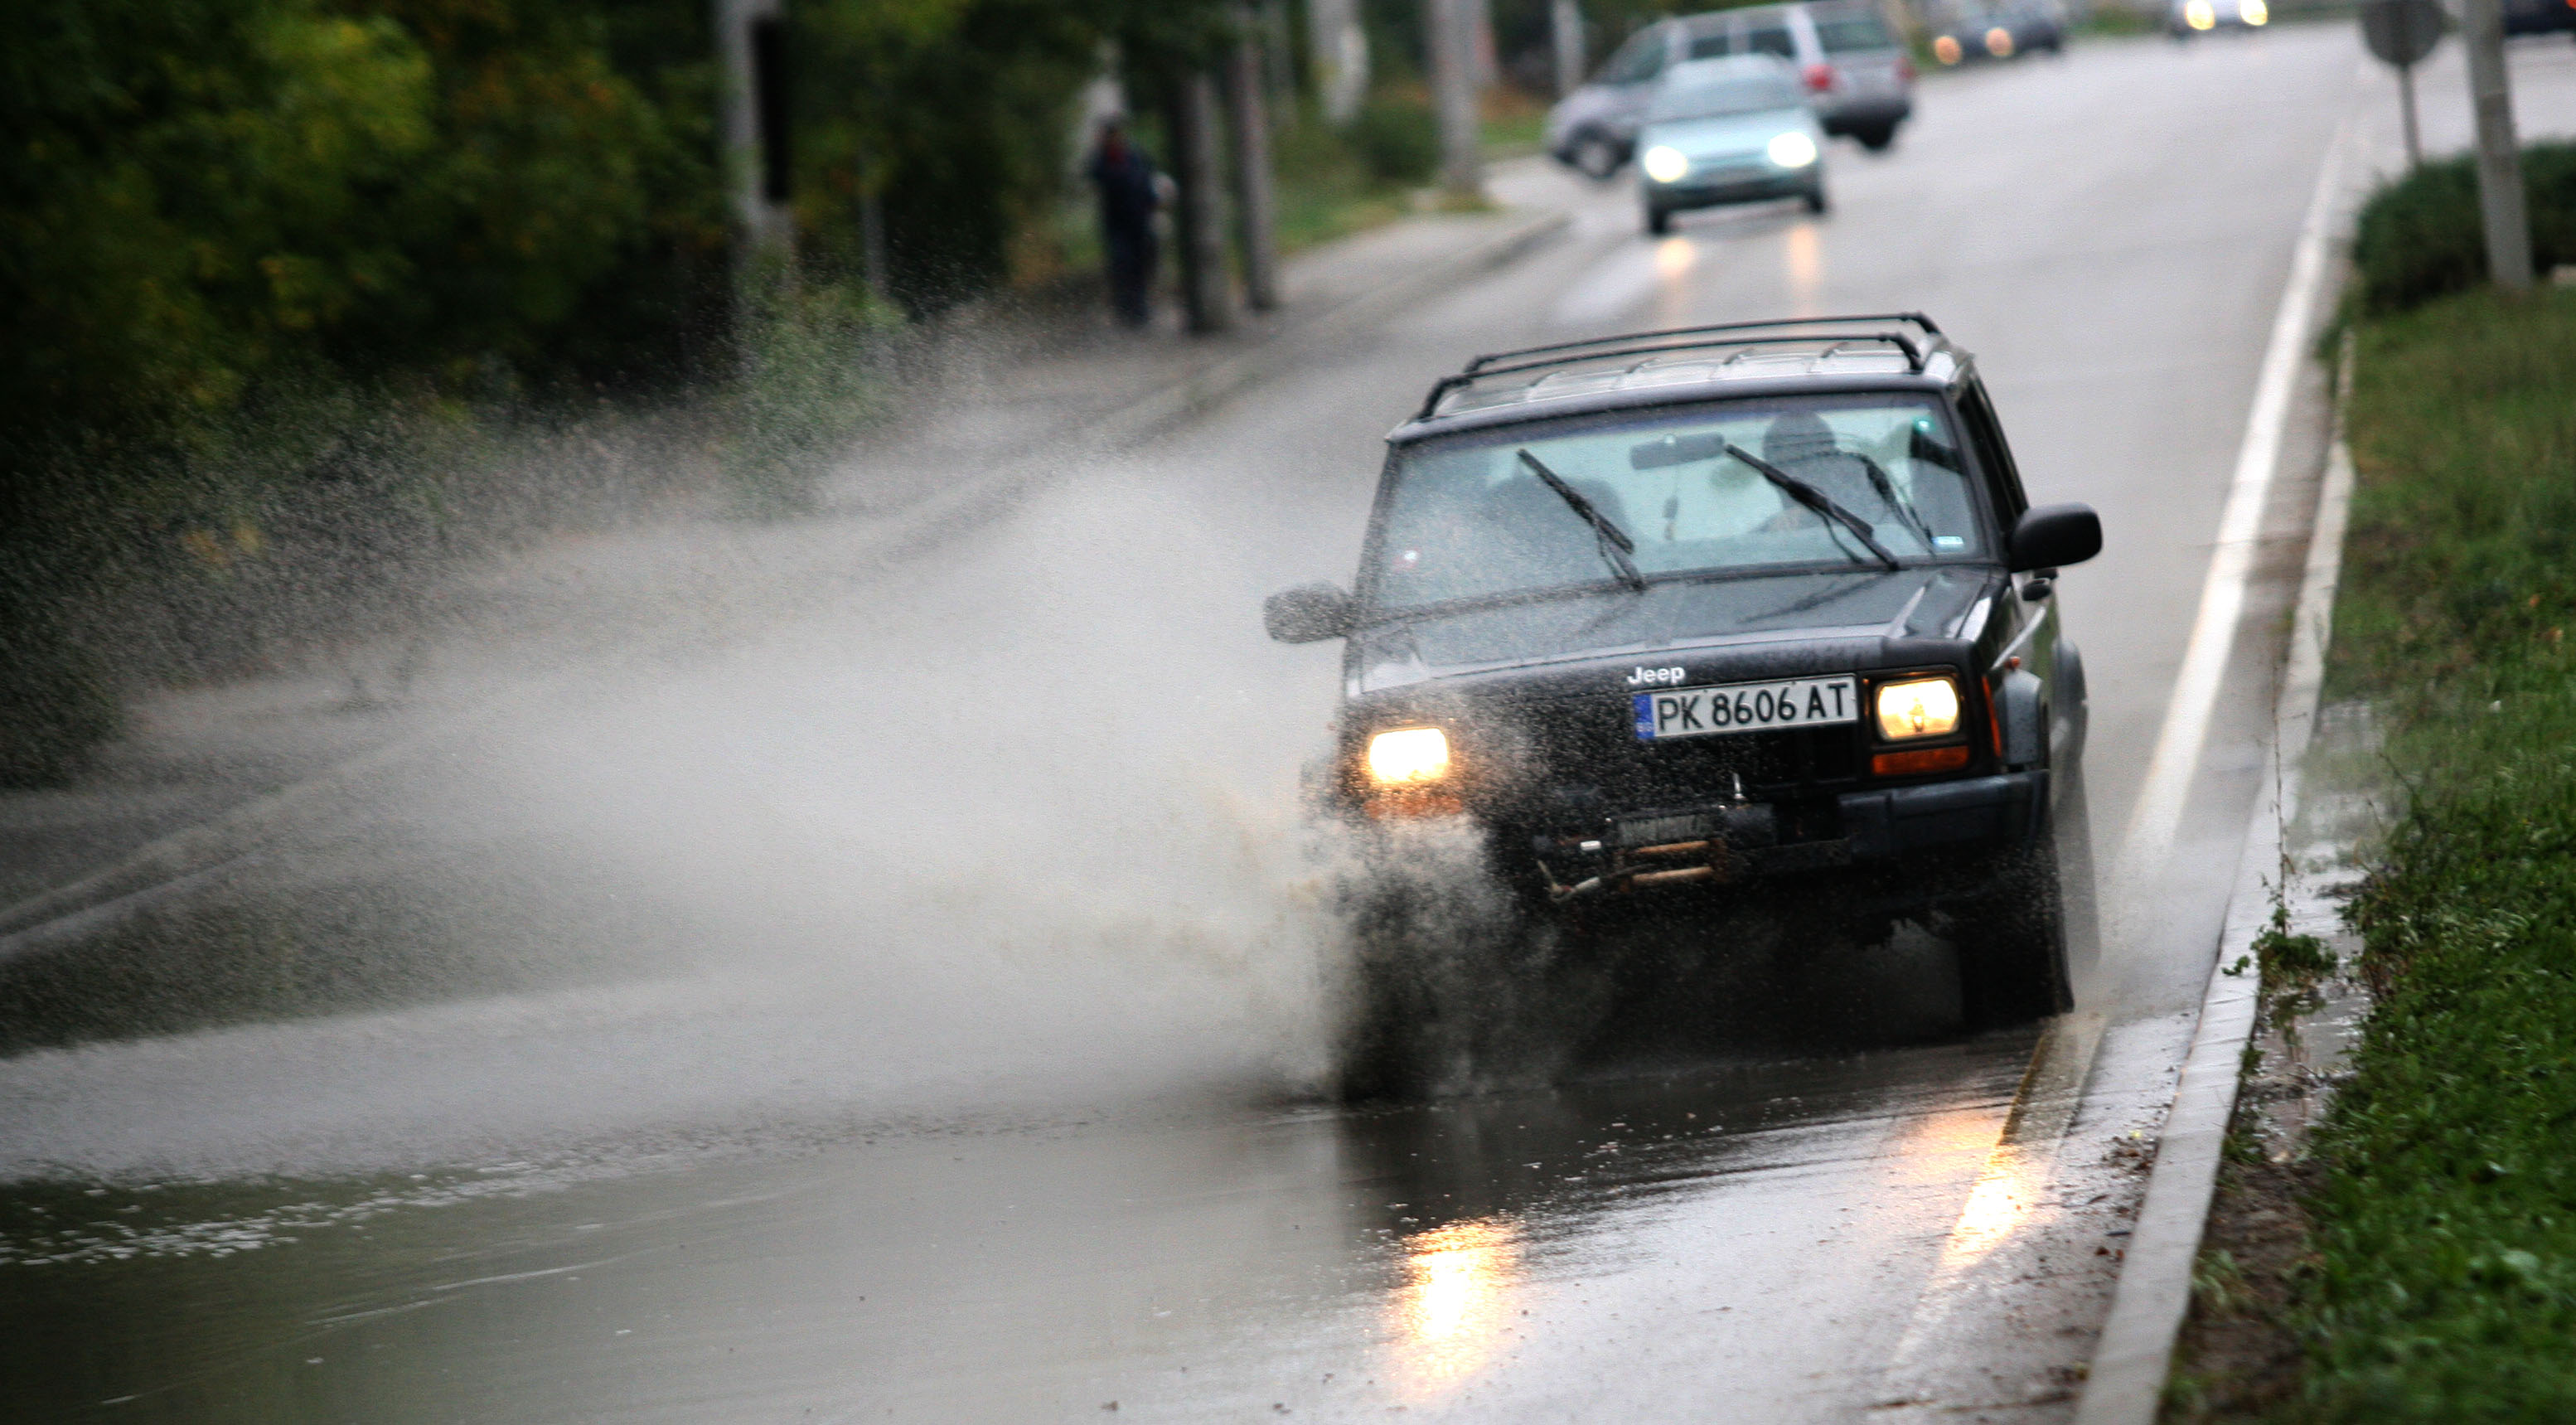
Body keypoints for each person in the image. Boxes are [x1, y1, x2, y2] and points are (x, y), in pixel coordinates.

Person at [1086, 115, 1161, 328]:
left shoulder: (1134, 155)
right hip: (1117, 222)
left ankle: (1140, 308)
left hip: (1138, 219)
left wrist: (1151, 201)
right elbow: (1097, 177)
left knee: (1140, 264)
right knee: (1121, 263)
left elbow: (1147, 180)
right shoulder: (1103, 159)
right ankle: (1125, 308)